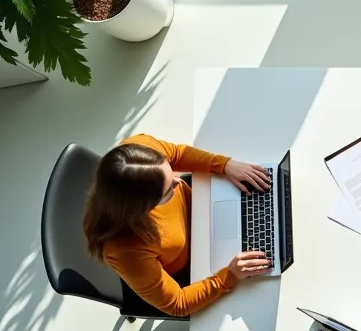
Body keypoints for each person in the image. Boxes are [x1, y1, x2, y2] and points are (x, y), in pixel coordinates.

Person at [82, 134, 274, 317]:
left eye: (170, 171)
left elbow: (177, 153)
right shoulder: (125, 250)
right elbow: (177, 304)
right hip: (194, 269)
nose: (177, 181)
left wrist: (224, 165)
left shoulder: (137, 152)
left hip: (202, 211)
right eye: (167, 191)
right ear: (142, 207)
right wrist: (229, 275)